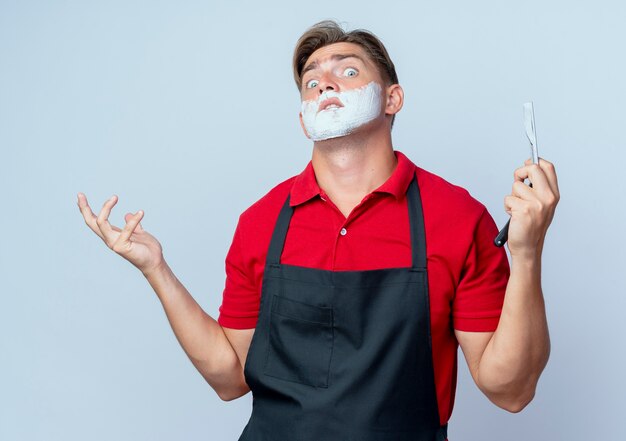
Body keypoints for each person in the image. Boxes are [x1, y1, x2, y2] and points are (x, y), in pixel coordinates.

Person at [77, 20, 559, 441]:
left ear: (393, 98)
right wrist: (156, 269)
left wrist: (529, 253)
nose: (325, 83)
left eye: (348, 71)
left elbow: (510, 390)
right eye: (311, 81)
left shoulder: (456, 216)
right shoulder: (261, 221)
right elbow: (229, 377)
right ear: (304, 120)